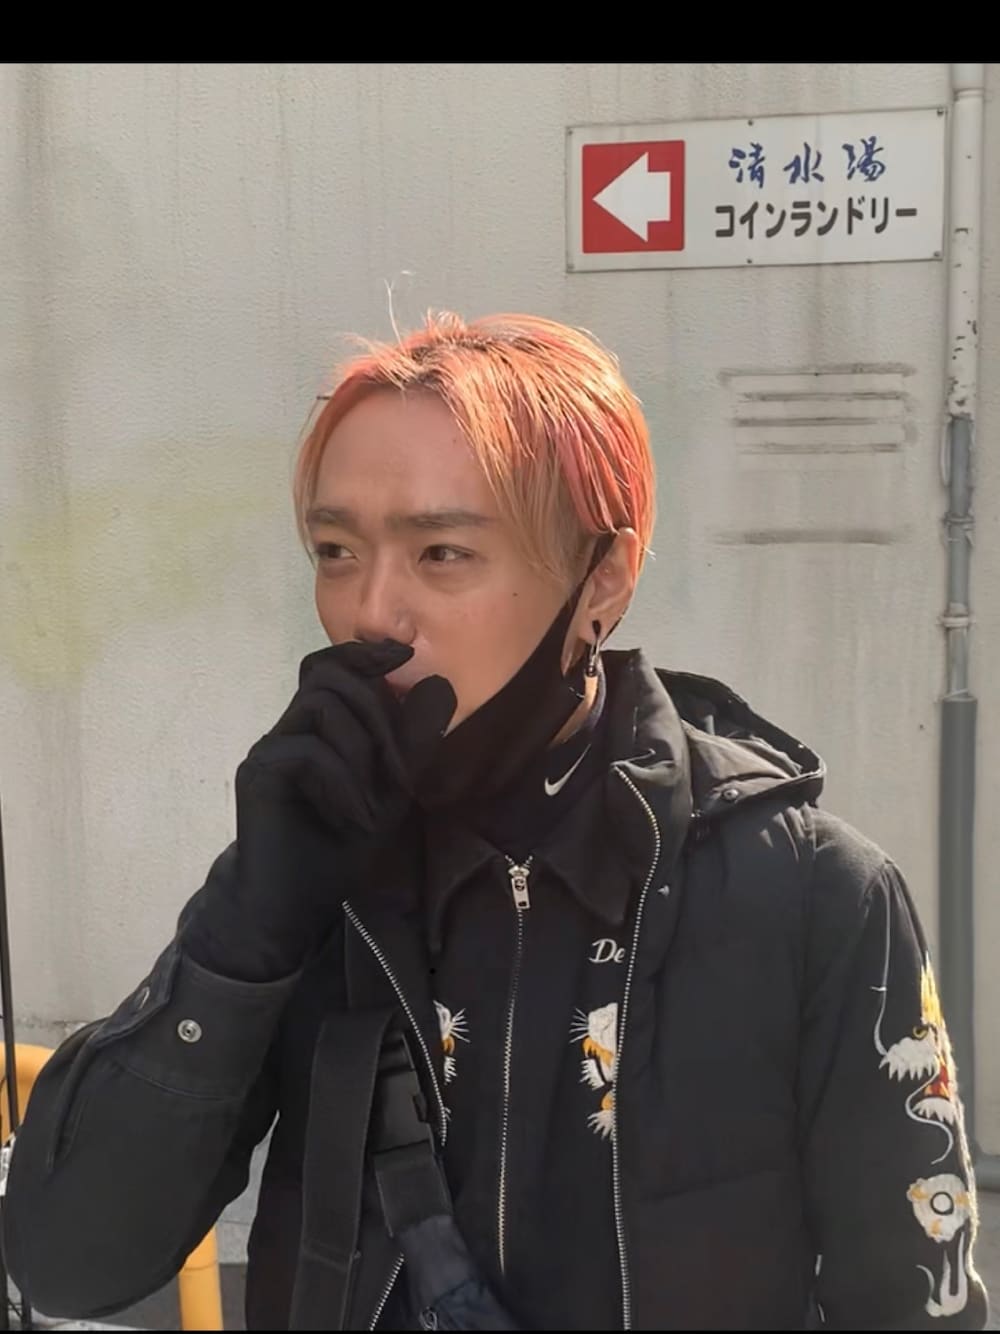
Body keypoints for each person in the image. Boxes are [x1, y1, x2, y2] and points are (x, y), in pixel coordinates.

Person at [1, 312, 990, 1331]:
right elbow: (67, 1264)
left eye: (441, 552)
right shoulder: (311, 873)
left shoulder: (806, 890)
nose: (371, 613)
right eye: (334, 551)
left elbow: (917, 1301)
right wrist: (243, 930)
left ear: (602, 577)